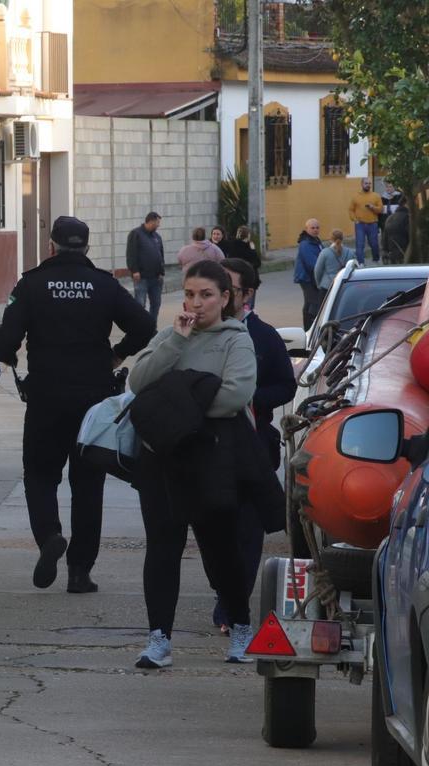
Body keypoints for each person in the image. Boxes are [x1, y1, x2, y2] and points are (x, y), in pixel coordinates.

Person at [0, 216, 155, 593]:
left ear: (51, 247)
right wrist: (117, 354)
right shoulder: (103, 284)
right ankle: (80, 571)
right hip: (94, 401)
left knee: (39, 474)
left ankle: (49, 535)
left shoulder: (31, 284)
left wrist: (12, 358)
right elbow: (145, 326)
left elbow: (5, 345)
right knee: (88, 485)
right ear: (87, 246)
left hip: (46, 397)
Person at [128, 260, 258, 668]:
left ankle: (239, 624)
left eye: (205, 295)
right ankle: (159, 639)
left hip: (213, 457)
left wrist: (174, 407)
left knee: (220, 548)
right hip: (162, 458)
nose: (195, 303)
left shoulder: (237, 340)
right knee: (162, 546)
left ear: (225, 298)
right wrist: (176, 344)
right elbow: (138, 382)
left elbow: (235, 395)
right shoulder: (172, 336)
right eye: (188, 294)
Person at [211, 258, 295, 633]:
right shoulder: (198, 334)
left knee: (247, 532)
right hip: (207, 450)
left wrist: (251, 397)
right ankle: (225, 595)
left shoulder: (263, 336)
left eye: (229, 287)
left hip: (252, 448)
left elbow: (286, 386)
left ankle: (233, 606)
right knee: (217, 531)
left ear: (247, 294)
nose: (222, 295)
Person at [125, 212, 166, 324]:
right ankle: (139, 327)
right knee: (140, 304)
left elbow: (161, 255)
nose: (158, 225)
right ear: (151, 221)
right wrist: (134, 270)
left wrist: (161, 272)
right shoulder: (136, 234)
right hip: (142, 277)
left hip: (156, 278)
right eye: (157, 222)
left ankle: (152, 327)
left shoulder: (157, 237)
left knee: (156, 304)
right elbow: (131, 254)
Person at [294, 219, 323, 330]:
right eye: (312, 228)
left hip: (312, 276)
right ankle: (309, 328)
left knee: (309, 302)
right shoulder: (305, 243)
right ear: (307, 229)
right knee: (313, 301)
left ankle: (308, 327)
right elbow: (312, 263)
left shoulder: (316, 241)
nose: (315, 230)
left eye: (317, 227)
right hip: (306, 277)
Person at [349, 177, 382, 263]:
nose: (368, 185)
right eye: (366, 183)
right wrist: (354, 219)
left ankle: (376, 260)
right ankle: (361, 263)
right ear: (362, 184)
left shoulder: (376, 196)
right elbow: (351, 210)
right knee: (360, 244)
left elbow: (380, 209)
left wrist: (373, 207)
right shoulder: (356, 197)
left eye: (369, 183)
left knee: (374, 244)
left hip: (373, 224)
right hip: (360, 224)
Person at [314, 229, 349, 297]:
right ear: (343, 239)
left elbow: (317, 270)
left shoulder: (325, 253)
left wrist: (319, 284)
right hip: (344, 286)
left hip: (327, 286)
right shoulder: (350, 252)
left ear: (330, 239)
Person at [384, 198, 410, 264]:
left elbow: (385, 238)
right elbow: (411, 236)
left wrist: (385, 251)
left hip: (392, 253)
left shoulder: (390, 218)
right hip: (405, 252)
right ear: (406, 204)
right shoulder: (407, 217)